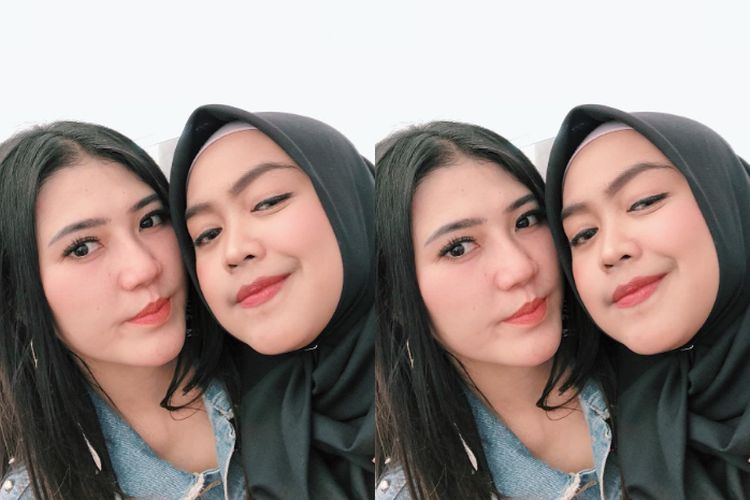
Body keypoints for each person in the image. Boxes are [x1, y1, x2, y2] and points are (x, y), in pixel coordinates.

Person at [375, 121, 620, 499]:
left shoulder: (666, 371)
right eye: (458, 247)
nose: (520, 268)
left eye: (526, 220)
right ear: (394, 298)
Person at [0, 122, 245, 499]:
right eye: (82, 248)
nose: (144, 268)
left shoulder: (287, 365)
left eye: (150, 220)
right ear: (16, 297)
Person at [168, 104, 375, 499]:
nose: (234, 250)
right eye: (207, 234)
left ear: (348, 201)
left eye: (267, 202)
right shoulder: (224, 425)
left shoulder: (461, 380)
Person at [545, 104, 750, 498]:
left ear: (724, 201)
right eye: (583, 234)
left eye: (643, 202)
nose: (610, 250)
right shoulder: (612, 417)